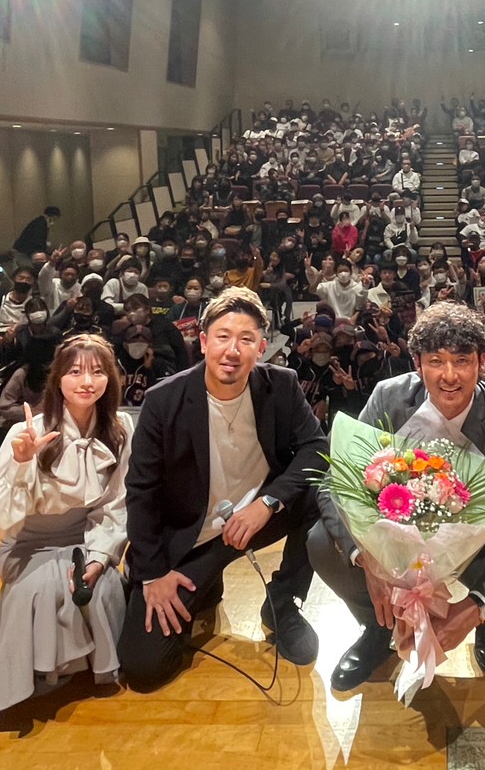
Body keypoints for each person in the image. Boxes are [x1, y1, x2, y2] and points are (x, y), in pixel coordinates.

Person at [308, 301, 485, 690]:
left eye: (462, 360)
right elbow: (334, 484)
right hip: (396, 541)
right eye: (436, 361)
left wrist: (472, 610)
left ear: (482, 362)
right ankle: (378, 627)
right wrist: (369, 561)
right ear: (417, 363)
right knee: (322, 542)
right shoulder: (389, 397)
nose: (449, 375)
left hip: (481, 547)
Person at [118, 289, 326, 688]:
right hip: (191, 538)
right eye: (223, 336)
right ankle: (204, 583)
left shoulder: (281, 385)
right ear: (203, 341)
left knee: (319, 494)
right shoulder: (164, 401)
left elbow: (316, 448)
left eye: (246, 339)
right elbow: (141, 492)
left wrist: (268, 502)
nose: (233, 350)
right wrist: (154, 573)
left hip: (253, 519)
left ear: (261, 348)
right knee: (145, 668)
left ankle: (283, 604)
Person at [0, 335, 134, 719]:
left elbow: (116, 503)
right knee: (44, 587)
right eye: (75, 372)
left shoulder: (120, 427)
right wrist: (23, 463)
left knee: (101, 585)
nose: (87, 382)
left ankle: (83, 666)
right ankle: (39, 672)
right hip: (30, 542)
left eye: (97, 372)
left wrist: (98, 557)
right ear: (57, 379)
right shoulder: (25, 432)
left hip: (84, 538)